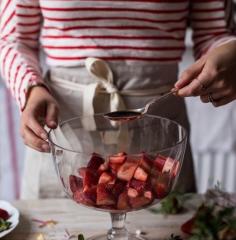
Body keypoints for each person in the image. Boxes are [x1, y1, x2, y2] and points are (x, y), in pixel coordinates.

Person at [0, 0, 236, 199]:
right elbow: (12, 39)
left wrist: (229, 52)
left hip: (158, 136)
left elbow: (215, 34)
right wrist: (31, 89)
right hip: (64, 133)